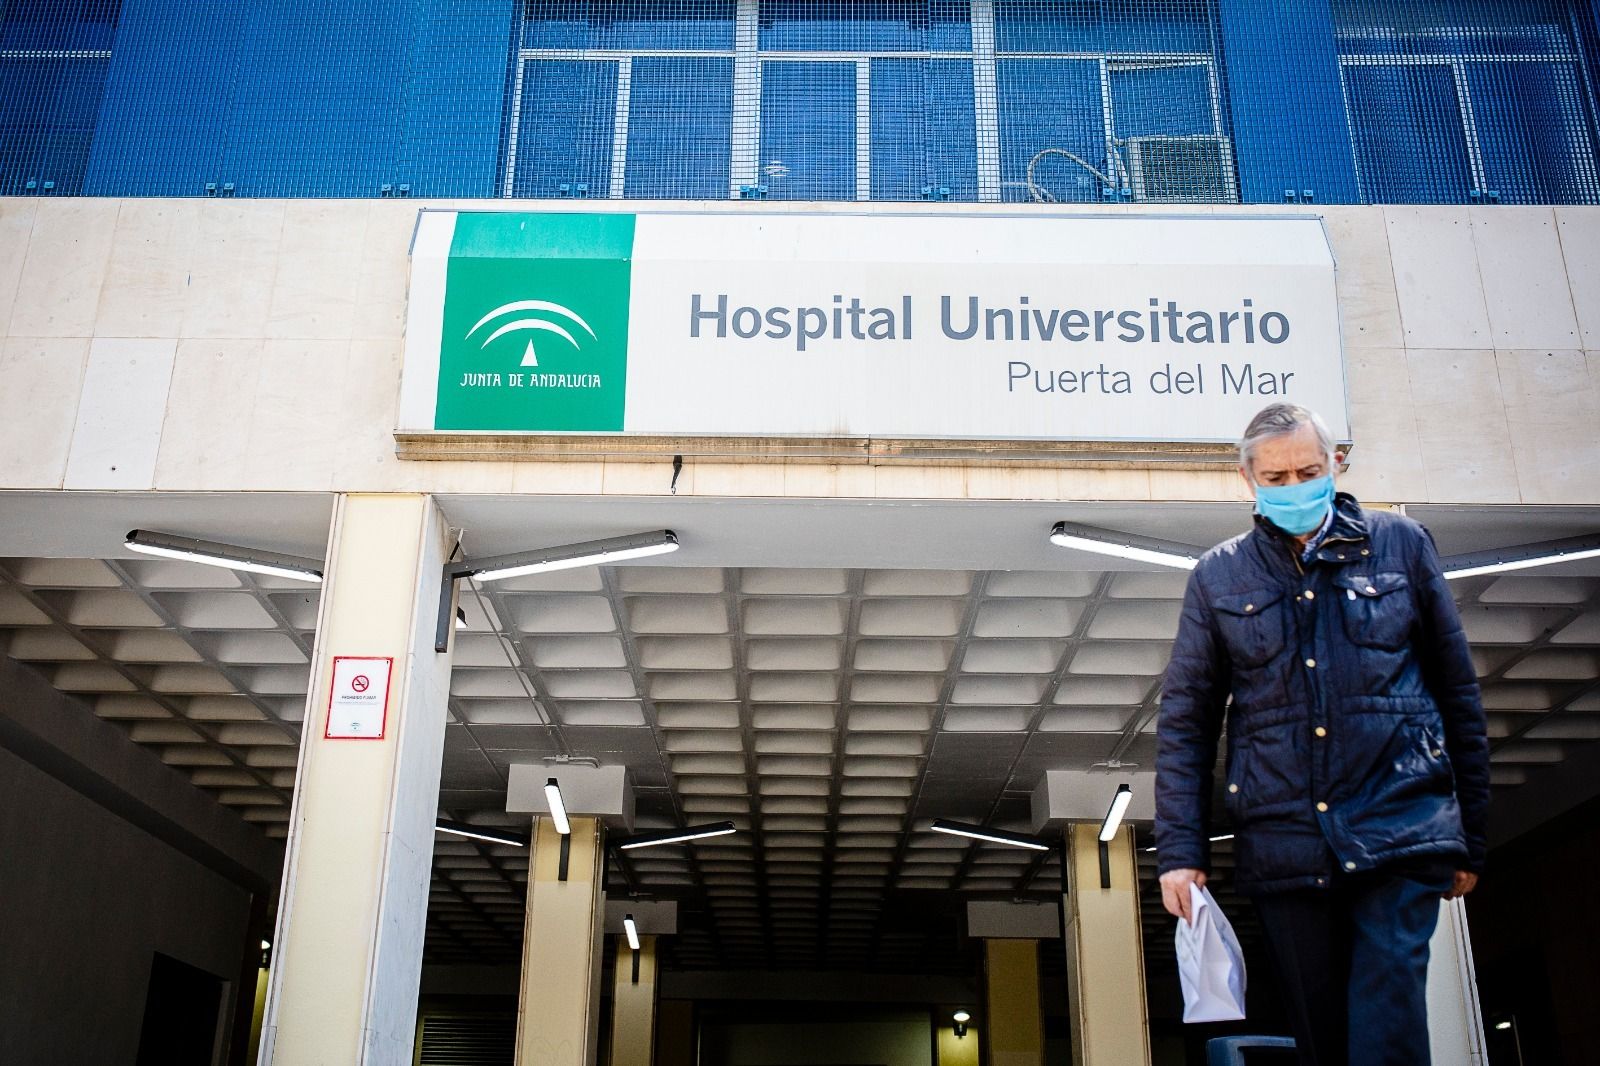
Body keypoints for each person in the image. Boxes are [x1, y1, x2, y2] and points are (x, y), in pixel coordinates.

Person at [1154, 403, 1489, 1066]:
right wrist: (1179, 853)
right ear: (1248, 480)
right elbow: (1187, 719)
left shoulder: (1402, 545)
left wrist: (1471, 839)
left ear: (1335, 465)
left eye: (1308, 471)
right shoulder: (1220, 576)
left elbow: (1458, 691)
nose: (1294, 486)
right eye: (1276, 477)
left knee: (1386, 1021)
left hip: (1401, 825)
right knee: (1323, 1038)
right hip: (1285, 842)